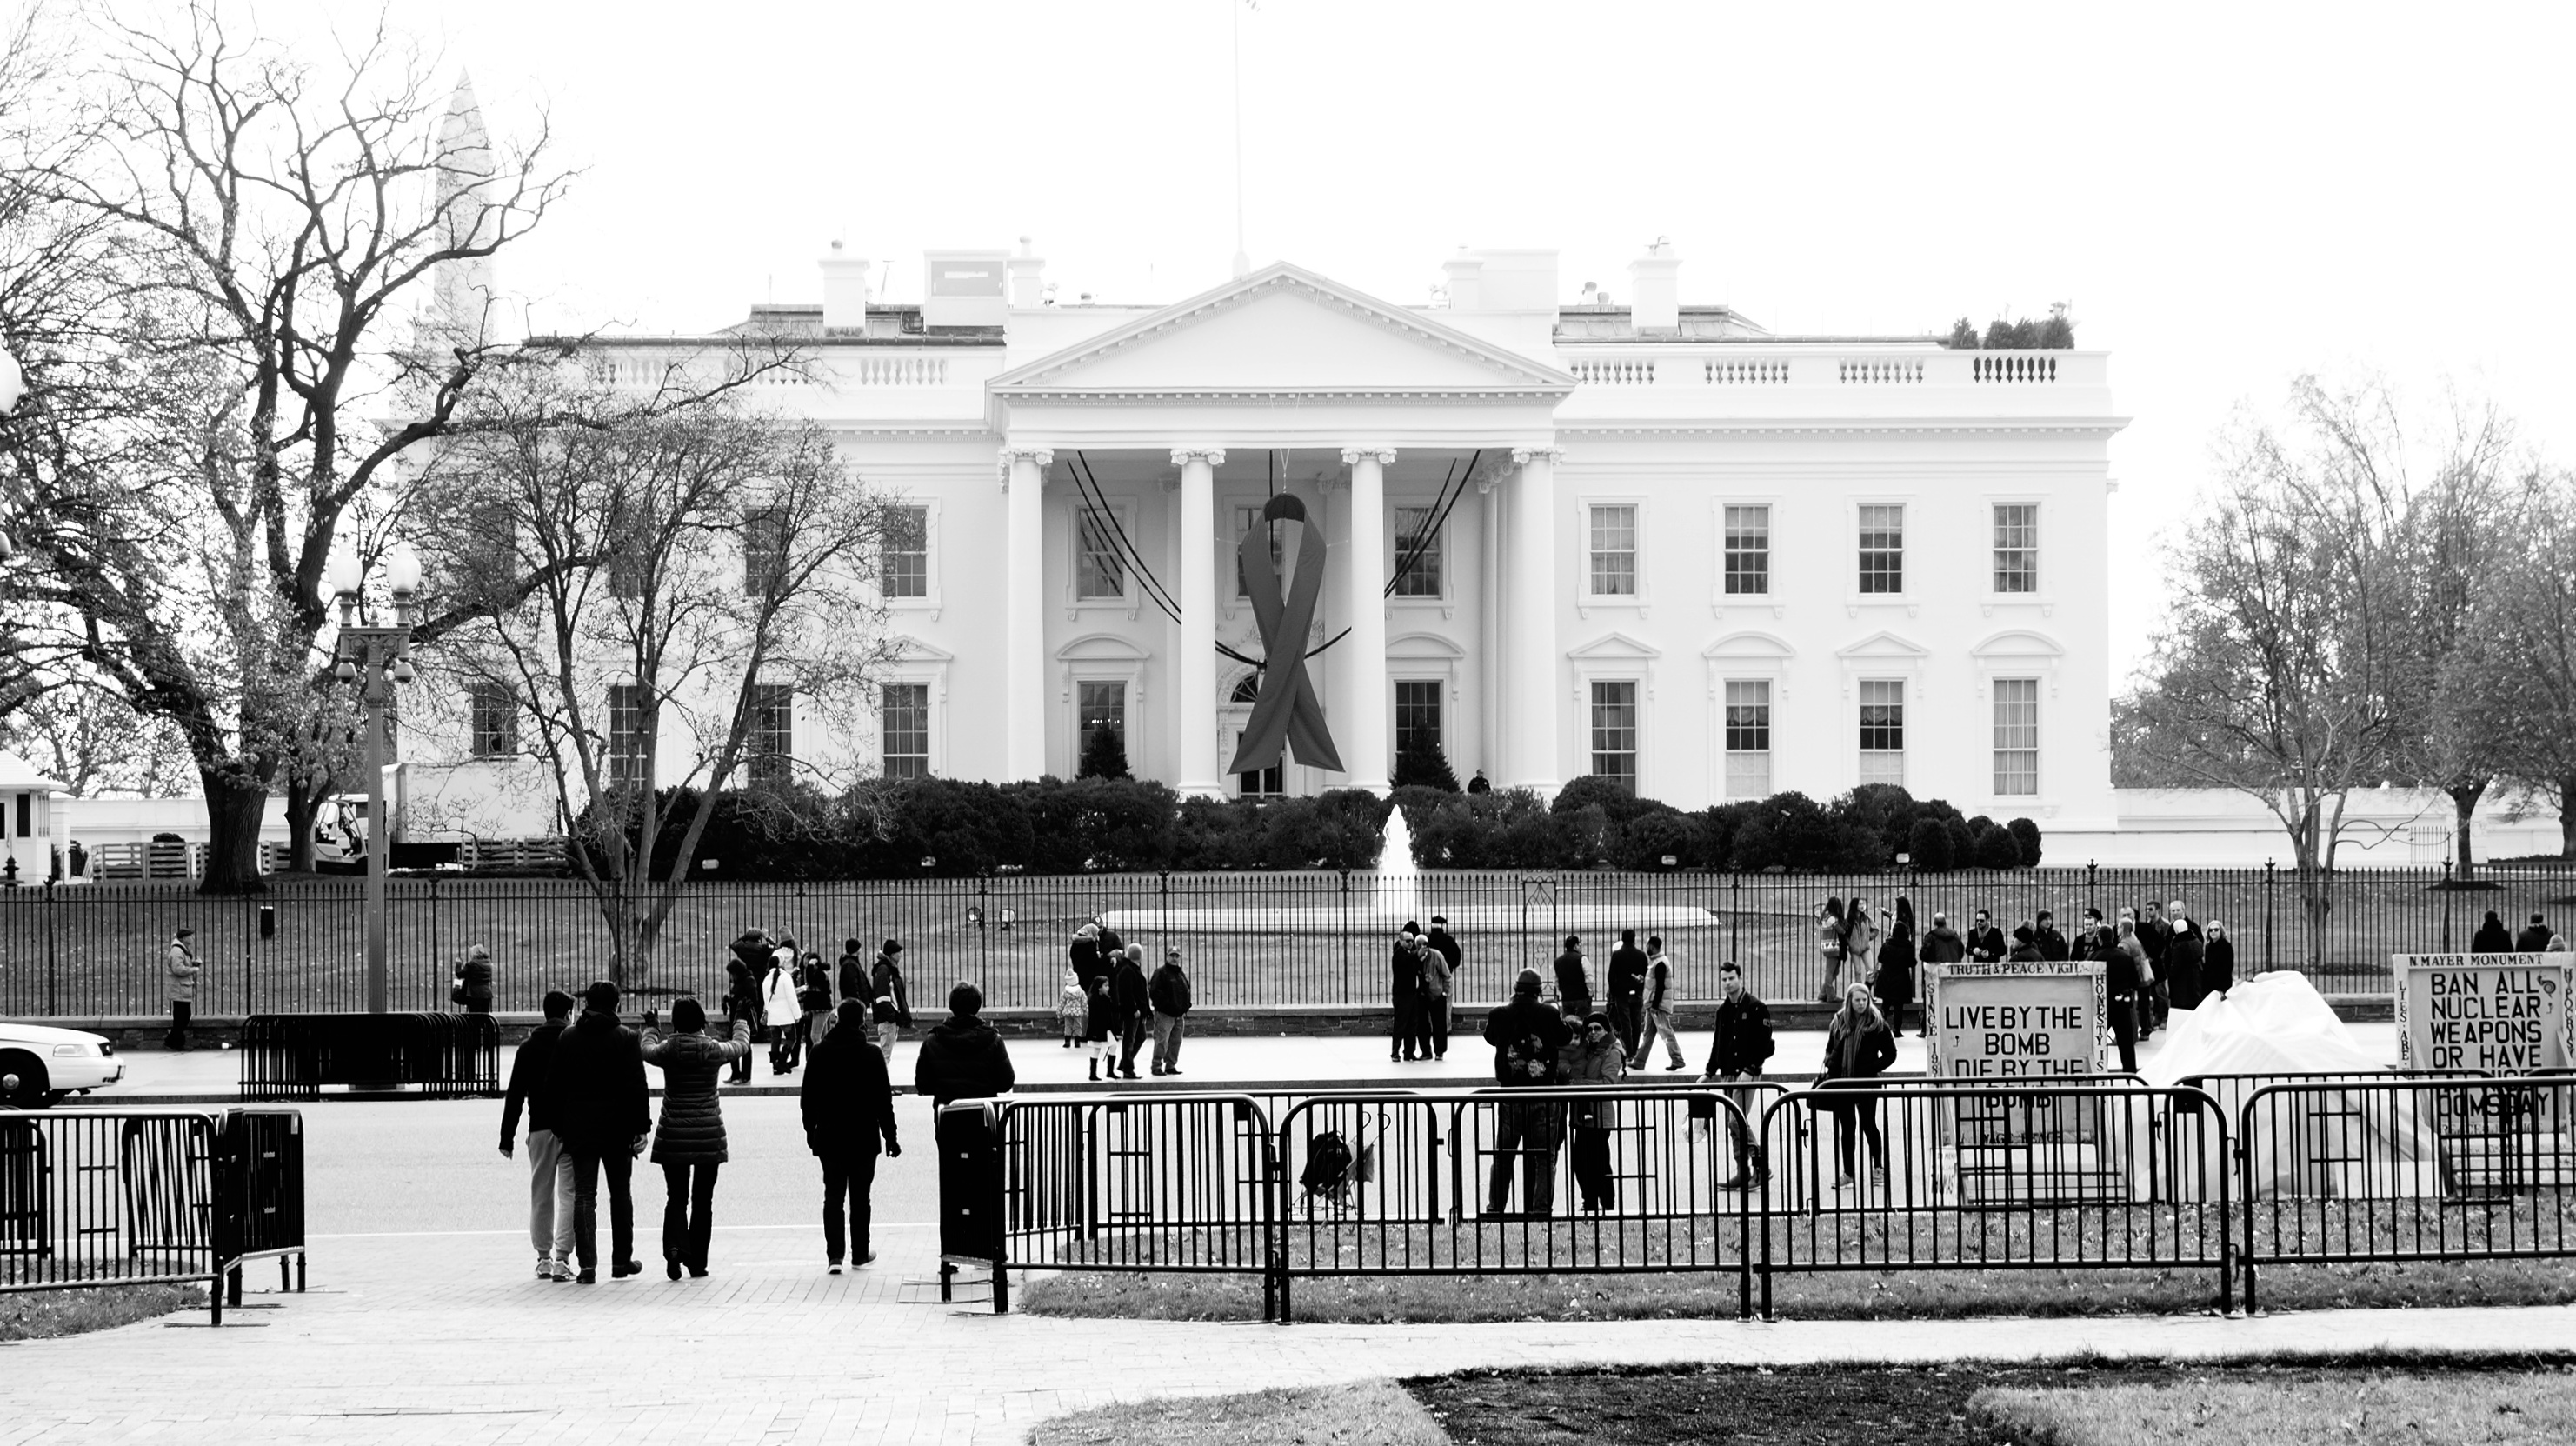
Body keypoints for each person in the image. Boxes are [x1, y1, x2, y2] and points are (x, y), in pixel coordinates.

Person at [641, 996, 754, 1279]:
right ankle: (698, 1262)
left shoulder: (668, 1050)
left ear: (675, 1021)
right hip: (707, 1134)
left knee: (676, 1197)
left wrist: (652, 1027)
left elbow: (646, 1049)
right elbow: (741, 1045)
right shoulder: (713, 1050)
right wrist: (739, 1019)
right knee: (704, 1200)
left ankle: (675, 1250)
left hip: (673, 1133)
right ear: (702, 1020)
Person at [546, 980, 650, 1284]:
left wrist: (560, 1126)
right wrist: (641, 1127)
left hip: (580, 1128)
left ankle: (587, 1265)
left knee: (583, 1195)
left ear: (586, 1005)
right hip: (618, 1129)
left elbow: (553, 1086)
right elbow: (636, 1087)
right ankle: (621, 1261)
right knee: (620, 1195)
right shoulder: (627, 1038)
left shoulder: (568, 1038)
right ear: (616, 1005)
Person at [800, 999, 900, 1273]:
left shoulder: (820, 1052)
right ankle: (859, 1252)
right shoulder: (871, 1054)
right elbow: (884, 1101)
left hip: (830, 1135)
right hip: (863, 1136)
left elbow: (807, 1098)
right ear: (861, 1023)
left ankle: (834, 1256)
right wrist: (890, 1137)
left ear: (837, 1020)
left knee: (832, 1195)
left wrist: (811, 1130)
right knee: (860, 1196)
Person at [498, 988, 578, 1281]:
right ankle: (562, 1258)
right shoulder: (572, 1043)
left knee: (541, 1194)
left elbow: (515, 1095)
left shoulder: (528, 1048)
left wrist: (507, 1138)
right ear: (568, 1014)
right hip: (570, 1128)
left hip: (540, 1127)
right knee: (568, 1194)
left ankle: (543, 1257)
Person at [1481, 969, 1570, 1217]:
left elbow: (1490, 1037)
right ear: (1539, 991)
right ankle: (1541, 1209)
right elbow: (1565, 1037)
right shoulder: (1548, 1013)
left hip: (1511, 1094)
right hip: (1543, 1092)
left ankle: (1495, 1208)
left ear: (1515, 988)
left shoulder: (1499, 1014)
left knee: (1503, 1156)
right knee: (1544, 1157)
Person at [1701, 960, 1774, 1189]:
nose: (1728, 983)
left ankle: (1761, 1164)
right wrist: (1709, 1071)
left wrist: (1750, 1069)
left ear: (1740, 978)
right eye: (1724, 979)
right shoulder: (1723, 1010)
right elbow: (1718, 1043)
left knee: (1736, 1120)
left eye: (1731, 978)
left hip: (1747, 1074)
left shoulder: (1756, 1007)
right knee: (1733, 1125)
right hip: (1727, 1073)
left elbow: (1765, 1044)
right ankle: (1743, 1171)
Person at [1819, 983, 1897, 1190]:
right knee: (1847, 1129)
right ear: (1850, 1001)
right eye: (1857, 1000)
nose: (1862, 1004)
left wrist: (1871, 1067)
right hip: (1843, 1082)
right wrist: (1830, 1062)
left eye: (1865, 1000)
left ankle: (1878, 1168)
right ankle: (1849, 1173)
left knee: (1869, 1125)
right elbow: (1829, 1047)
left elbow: (1891, 1054)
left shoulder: (1877, 1023)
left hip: (1866, 1083)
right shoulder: (1839, 1020)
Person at [1561, 1012, 1627, 1212]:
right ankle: (1589, 1200)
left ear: (1607, 1030)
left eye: (1598, 1028)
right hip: (1582, 1115)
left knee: (1599, 1163)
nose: (1593, 1033)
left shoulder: (1611, 1051)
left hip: (1600, 1116)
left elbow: (1608, 1083)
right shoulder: (1587, 1049)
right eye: (1589, 1029)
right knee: (1580, 1162)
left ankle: (1607, 1203)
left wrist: (1578, 1083)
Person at [915, 982, 1018, 1109]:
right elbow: (1006, 1082)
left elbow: (922, 1085)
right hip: (984, 1117)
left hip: (947, 1118)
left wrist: (944, 1089)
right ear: (977, 1006)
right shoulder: (993, 1040)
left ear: (952, 1005)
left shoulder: (932, 1041)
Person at [1631, 934, 1687, 1071]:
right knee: (1648, 1034)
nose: (1646, 948)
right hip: (1653, 1004)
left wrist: (1655, 1005)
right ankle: (1639, 1061)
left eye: (1647, 945)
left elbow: (1661, 986)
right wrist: (1642, 980)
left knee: (1666, 1032)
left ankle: (1677, 1059)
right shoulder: (1656, 962)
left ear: (1652, 947)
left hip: (1658, 1005)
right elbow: (1655, 983)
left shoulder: (1660, 963)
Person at [721, 942, 767, 1086]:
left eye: (733, 973)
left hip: (744, 1019)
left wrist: (735, 1002)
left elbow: (753, 1000)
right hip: (734, 1017)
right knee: (732, 1046)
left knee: (745, 1048)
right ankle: (735, 1073)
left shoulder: (749, 980)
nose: (732, 976)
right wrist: (729, 1000)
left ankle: (745, 1075)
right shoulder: (739, 981)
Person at [2101, 916, 2142, 1072]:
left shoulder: (2095, 958)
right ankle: (2130, 1074)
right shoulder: (2124, 956)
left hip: (2103, 1004)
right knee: (2126, 1044)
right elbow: (2135, 981)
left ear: (2099, 939)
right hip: (2123, 1003)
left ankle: (2099, 1070)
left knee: (2098, 1040)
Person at [1874, 899, 1919, 1038]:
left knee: (1885, 1004)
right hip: (1901, 979)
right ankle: (1897, 1029)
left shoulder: (1887, 945)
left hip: (1886, 977)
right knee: (1899, 1006)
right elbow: (1912, 963)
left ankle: (1880, 1026)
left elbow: (1880, 958)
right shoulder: (1908, 947)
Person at [1605, 929, 1650, 1061]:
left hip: (1622, 993)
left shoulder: (1617, 955)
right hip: (1636, 993)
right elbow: (1646, 975)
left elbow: (1611, 976)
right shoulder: (1641, 955)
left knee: (1625, 1023)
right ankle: (1635, 1051)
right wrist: (1640, 989)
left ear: (1623, 939)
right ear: (1634, 939)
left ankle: (1628, 1051)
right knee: (1636, 1022)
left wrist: (1615, 991)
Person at [1109, 943, 1151, 1080]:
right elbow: (1126, 993)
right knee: (1130, 1039)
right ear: (1140, 956)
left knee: (1140, 1037)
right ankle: (1128, 1068)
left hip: (1138, 1011)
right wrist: (1134, 1009)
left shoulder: (1131, 968)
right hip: (1132, 1012)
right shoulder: (1128, 970)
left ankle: (1125, 1063)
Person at [1148, 946, 1192, 1076]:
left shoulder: (1180, 974)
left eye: (1177, 956)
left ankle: (1170, 1065)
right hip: (1165, 1015)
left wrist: (1186, 1006)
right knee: (1162, 1040)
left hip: (1179, 1015)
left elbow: (1186, 991)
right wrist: (1166, 1006)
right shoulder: (1160, 973)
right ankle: (1156, 1065)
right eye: (1172, 956)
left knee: (1176, 1041)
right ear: (1167, 957)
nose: (1174, 958)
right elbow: (1155, 992)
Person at [870, 938, 915, 1059]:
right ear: (891, 954)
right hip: (888, 1020)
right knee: (885, 1056)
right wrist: (891, 1017)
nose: (901, 955)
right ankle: (880, 1078)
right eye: (898, 952)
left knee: (886, 1055)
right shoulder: (885, 970)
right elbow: (882, 997)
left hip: (890, 1019)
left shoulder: (888, 969)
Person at [1388, 925, 1426, 1063]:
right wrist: (1417, 955)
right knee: (1401, 1024)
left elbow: (1415, 967)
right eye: (1408, 941)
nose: (1411, 943)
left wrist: (1420, 959)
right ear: (1401, 941)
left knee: (1412, 1025)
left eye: (1412, 941)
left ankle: (1409, 1052)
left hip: (1411, 994)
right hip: (1402, 995)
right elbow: (1406, 961)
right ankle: (1395, 1052)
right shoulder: (1399, 954)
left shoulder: (1410, 954)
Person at [1415, 928, 1453, 1061]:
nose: (1421, 949)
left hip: (1437, 995)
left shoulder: (1437, 956)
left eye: (1423, 946)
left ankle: (1439, 1051)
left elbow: (1447, 976)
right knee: (1422, 1025)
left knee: (1439, 1025)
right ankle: (1426, 1051)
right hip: (1421, 996)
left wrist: (1445, 993)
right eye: (1418, 946)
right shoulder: (1415, 957)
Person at [164, 927, 202, 1051]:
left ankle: (174, 1041)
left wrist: (193, 963)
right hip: (179, 989)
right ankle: (174, 1042)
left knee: (183, 1017)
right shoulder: (177, 951)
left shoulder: (181, 950)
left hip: (182, 988)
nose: (193, 938)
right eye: (191, 936)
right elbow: (178, 969)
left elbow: (181, 965)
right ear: (184, 938)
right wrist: (193, 969)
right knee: (182, 1017)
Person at [2138, 901, 2173, 1030]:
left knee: (2161, 991)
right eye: (2146, 909)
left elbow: (2166, 944)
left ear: (2158, 909)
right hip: (2151, 962)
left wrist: (2158, 957)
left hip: (2160, 963)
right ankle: (2157, 1015)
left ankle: (2165, 1016)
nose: (2148, 912)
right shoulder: (2148, 925)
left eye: (2151, 909)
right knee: (2152, 991)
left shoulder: (2164, 925)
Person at [2164, 899, 2205, 1010]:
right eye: (2173, 910)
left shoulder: (2193, 927)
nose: (2175, 913)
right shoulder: (2171, 927)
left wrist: (2171, 971)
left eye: (2178, 910)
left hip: (2184, 976)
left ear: (2183, 910)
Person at [1082, 970, 1118, 1082]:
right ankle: (1094, 1073)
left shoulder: (1106, 999)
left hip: (1106, 1029)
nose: (1108, 988)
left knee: (1113, 1045)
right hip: (1098, 1030)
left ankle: (1109, 1071)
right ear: (1099, 987)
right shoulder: (1094, 1001)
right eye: (1106, 986)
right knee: (1097, 1049)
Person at [1840, 896, 1877, 997]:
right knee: (1858, 971)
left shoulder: (1866, 919)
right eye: (1860, 904)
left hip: (1866, 949)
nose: (1862, 906)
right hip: (1854, 950)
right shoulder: (1848, 920)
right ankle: (1858, 994)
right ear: (1855, 905)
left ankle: (1868, 993)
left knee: (1871, 970)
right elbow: (1844, 935)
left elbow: (1876, 929)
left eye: (1863, 904)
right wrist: (1850, 943)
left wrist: (1868, 937)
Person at [1553, 934, 1594, 1020]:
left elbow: (1556, 981)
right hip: (1582, 997)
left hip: (1566, 998)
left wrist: (1562, 992)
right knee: (1583, 1022)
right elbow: (1589, 977)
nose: (1579, 947)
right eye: (1579, 945)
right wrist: (1590, 992)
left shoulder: (1558, 961)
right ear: (1575, 946)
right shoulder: (1582, 959)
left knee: (1568, 1023)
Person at [1814, 898, 1847, 1003]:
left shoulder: (1826, 916)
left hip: (1828, 946)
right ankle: (1831, 996)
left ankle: (1822, 994)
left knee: (1835, 971)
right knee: (1830, 972)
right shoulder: (1831, 918)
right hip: (1832, 946)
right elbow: (1841, 931)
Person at [453, 944, 496, 1015]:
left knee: (474, 1018)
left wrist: (458, 964)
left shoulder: (472, 965)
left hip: (474, 994)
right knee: (485, 1017)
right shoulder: (488, 964)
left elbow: (460, 974)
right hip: (487, 994)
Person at [2203, 920, 2237, 1000]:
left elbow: (2227, 969)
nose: (2213, 932)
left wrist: (2221, 989)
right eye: (2211, 930)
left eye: (2216, 929)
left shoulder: (2226, 947)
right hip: (2209, 985)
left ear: (2221, 931)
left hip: (2222, 985)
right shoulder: (2208, 947)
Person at [1057, 963, 1088, 1048]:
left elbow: (1061, 1002)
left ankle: (1067, 1042)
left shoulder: (1066, 991)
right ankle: (1077, 1042)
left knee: (1068, 1026)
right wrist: (1086, 1011)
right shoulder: (1080, 991)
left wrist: (1059, 1013)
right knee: (1078, 1026)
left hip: (1068, 1012)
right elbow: (1084, 1001)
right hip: (1077, 1012)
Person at [835, 936, 870, 1005]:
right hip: (855, 1005)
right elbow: (852, 986)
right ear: (856, 949)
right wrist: (858, 1002)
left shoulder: (852, 963)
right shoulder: (850, 965)